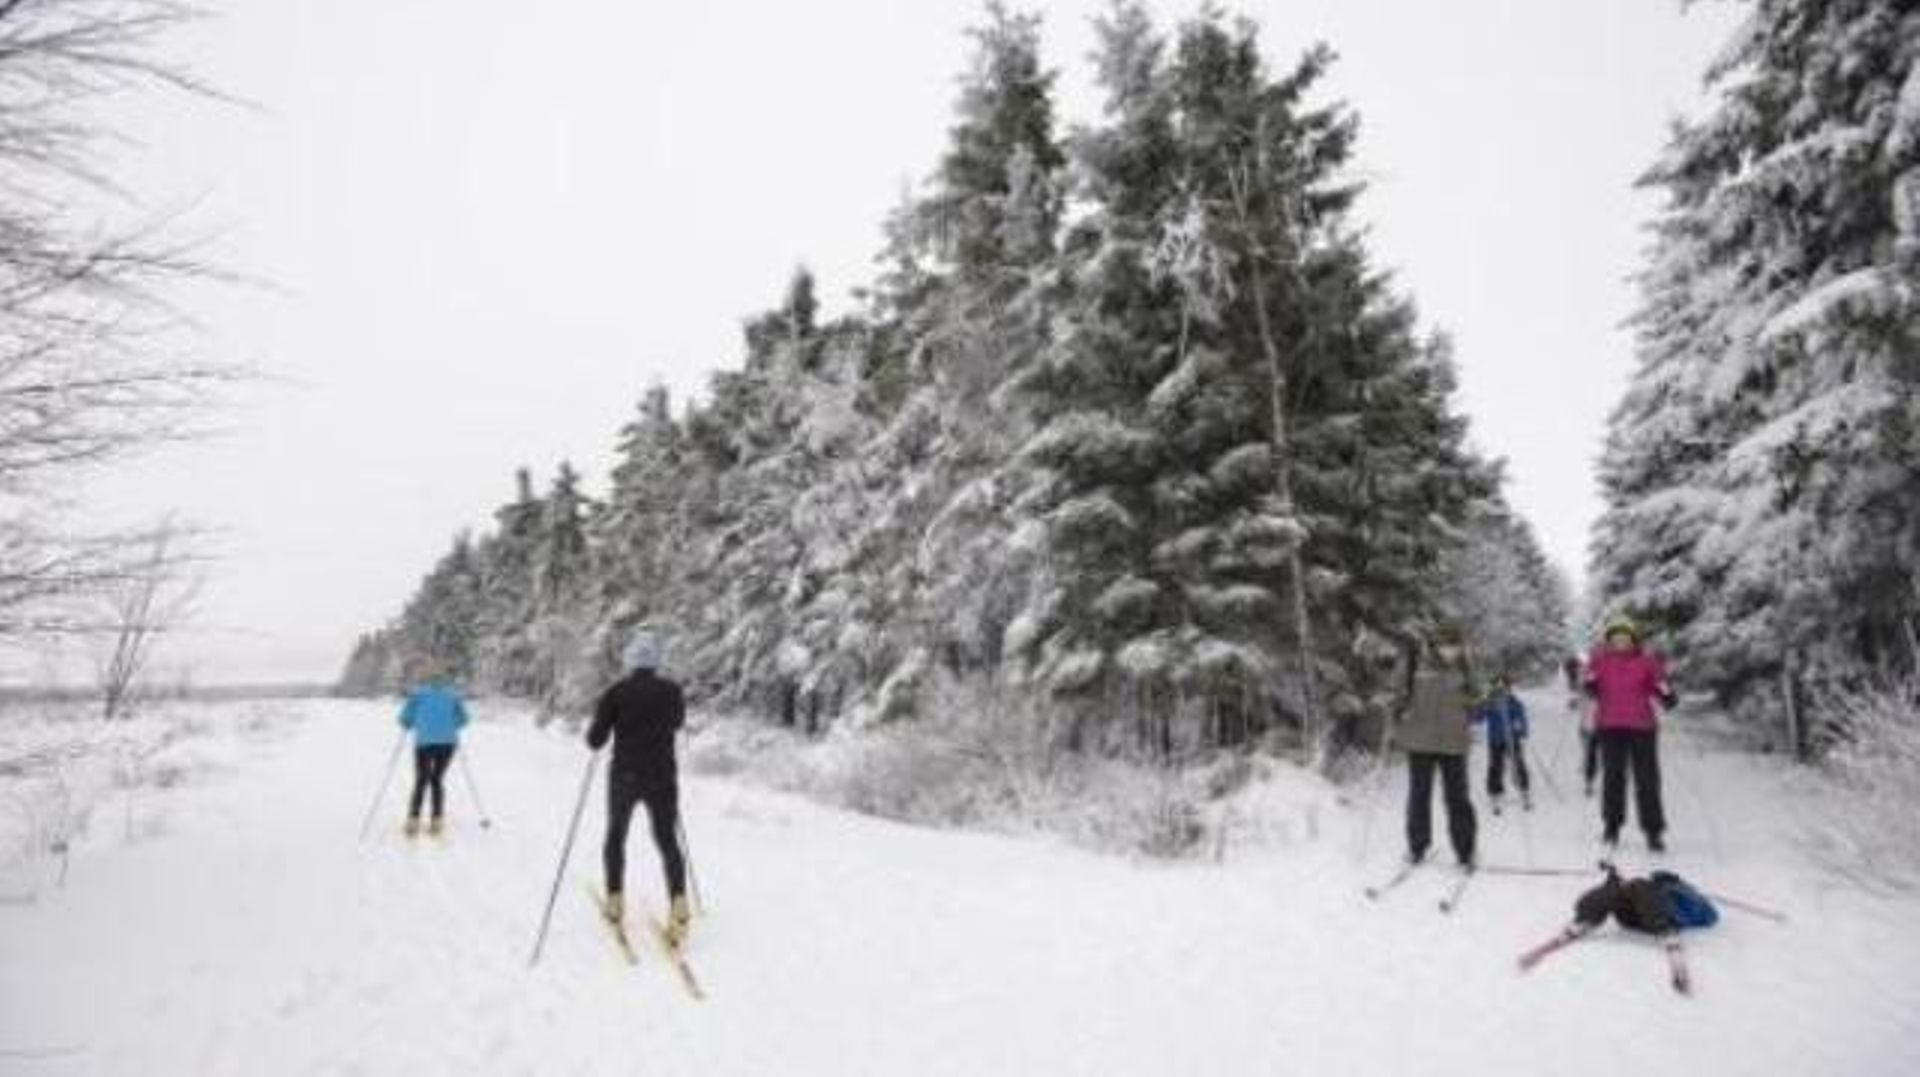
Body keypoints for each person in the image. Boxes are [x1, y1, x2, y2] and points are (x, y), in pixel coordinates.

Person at [586, 631, 691, 948]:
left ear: (630, 661)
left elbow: (595, 740)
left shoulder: (616, 692)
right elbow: (676, 723)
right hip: (662, 775)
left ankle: (615, 898)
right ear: (656, 662)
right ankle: (679, 901)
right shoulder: (672, 691)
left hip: (625, 776)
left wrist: (609, 725)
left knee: (616, 835)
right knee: (667, 840)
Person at [1584, 617, 1678, 853]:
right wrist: (1590, 683)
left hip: (1642, 727)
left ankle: (1653, 831)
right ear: (1609, 640)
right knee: (1613, 779)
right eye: (1616, 637)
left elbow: (1660, 685)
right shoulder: (1600, 660)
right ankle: (1612, 826)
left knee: (1647, 781)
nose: (1620, 641)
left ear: (1633, 639)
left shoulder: (1647, 661)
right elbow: (1590, 685)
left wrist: (1667, 695)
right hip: (1610, 726)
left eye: (1625, 637)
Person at [1395, 625, 1479, 869]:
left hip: (1454, 742)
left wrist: (1491, 695)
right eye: (1446, 645)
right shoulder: (1415, 663)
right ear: (1435, 644)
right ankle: (1417, 847)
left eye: (1455, 645)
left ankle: (1466, 850)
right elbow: (1398, 690)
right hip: (1420, 740)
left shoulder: (1465, 665)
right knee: (1419, 796)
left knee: (1457, 798)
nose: (1451, 650)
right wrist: (1398, 707)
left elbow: (1477, 698)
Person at [398, 668, 470, 838]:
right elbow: (465, 719)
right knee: (437, 779)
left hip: (424, 742)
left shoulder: (418, 694)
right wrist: (451, 726)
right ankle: (437, 820)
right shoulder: (453, 695)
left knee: (421, 779)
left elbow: (403, 719)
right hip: (447, 743)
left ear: (428, 681)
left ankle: (413, 820)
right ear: (444, 682)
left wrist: (412, 723)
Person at [1477, 674, 1531, 814]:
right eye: (1499, 688)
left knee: (1518, 762)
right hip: (1495, 740)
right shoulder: (1490, 702)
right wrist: (1484, 706)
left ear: (1509, 688)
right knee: (1495, 766)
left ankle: (1523, 788)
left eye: (1505, 687)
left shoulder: (1514, 703)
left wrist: (1521, 729)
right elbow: (1477, 718)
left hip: (1512, 739)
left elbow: (1521, 717)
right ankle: (1495, 791)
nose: (1502, 691)